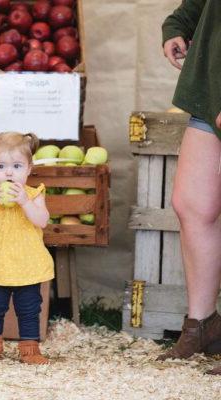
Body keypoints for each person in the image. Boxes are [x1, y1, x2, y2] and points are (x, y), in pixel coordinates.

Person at [159, 1, 221, 374]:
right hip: (211, 86)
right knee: (192, 204)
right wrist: (176, 28)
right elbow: (196, 6)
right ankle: (203, 324)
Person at [0, 130, 54, 364]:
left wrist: (25, 202)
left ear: (28, 169)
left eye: (17, 166)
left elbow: (42, 220)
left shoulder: (34, 195)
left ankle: (30, 349)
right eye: (1, 167)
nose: (9, 172)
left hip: (27, 267)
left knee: (28, 310)